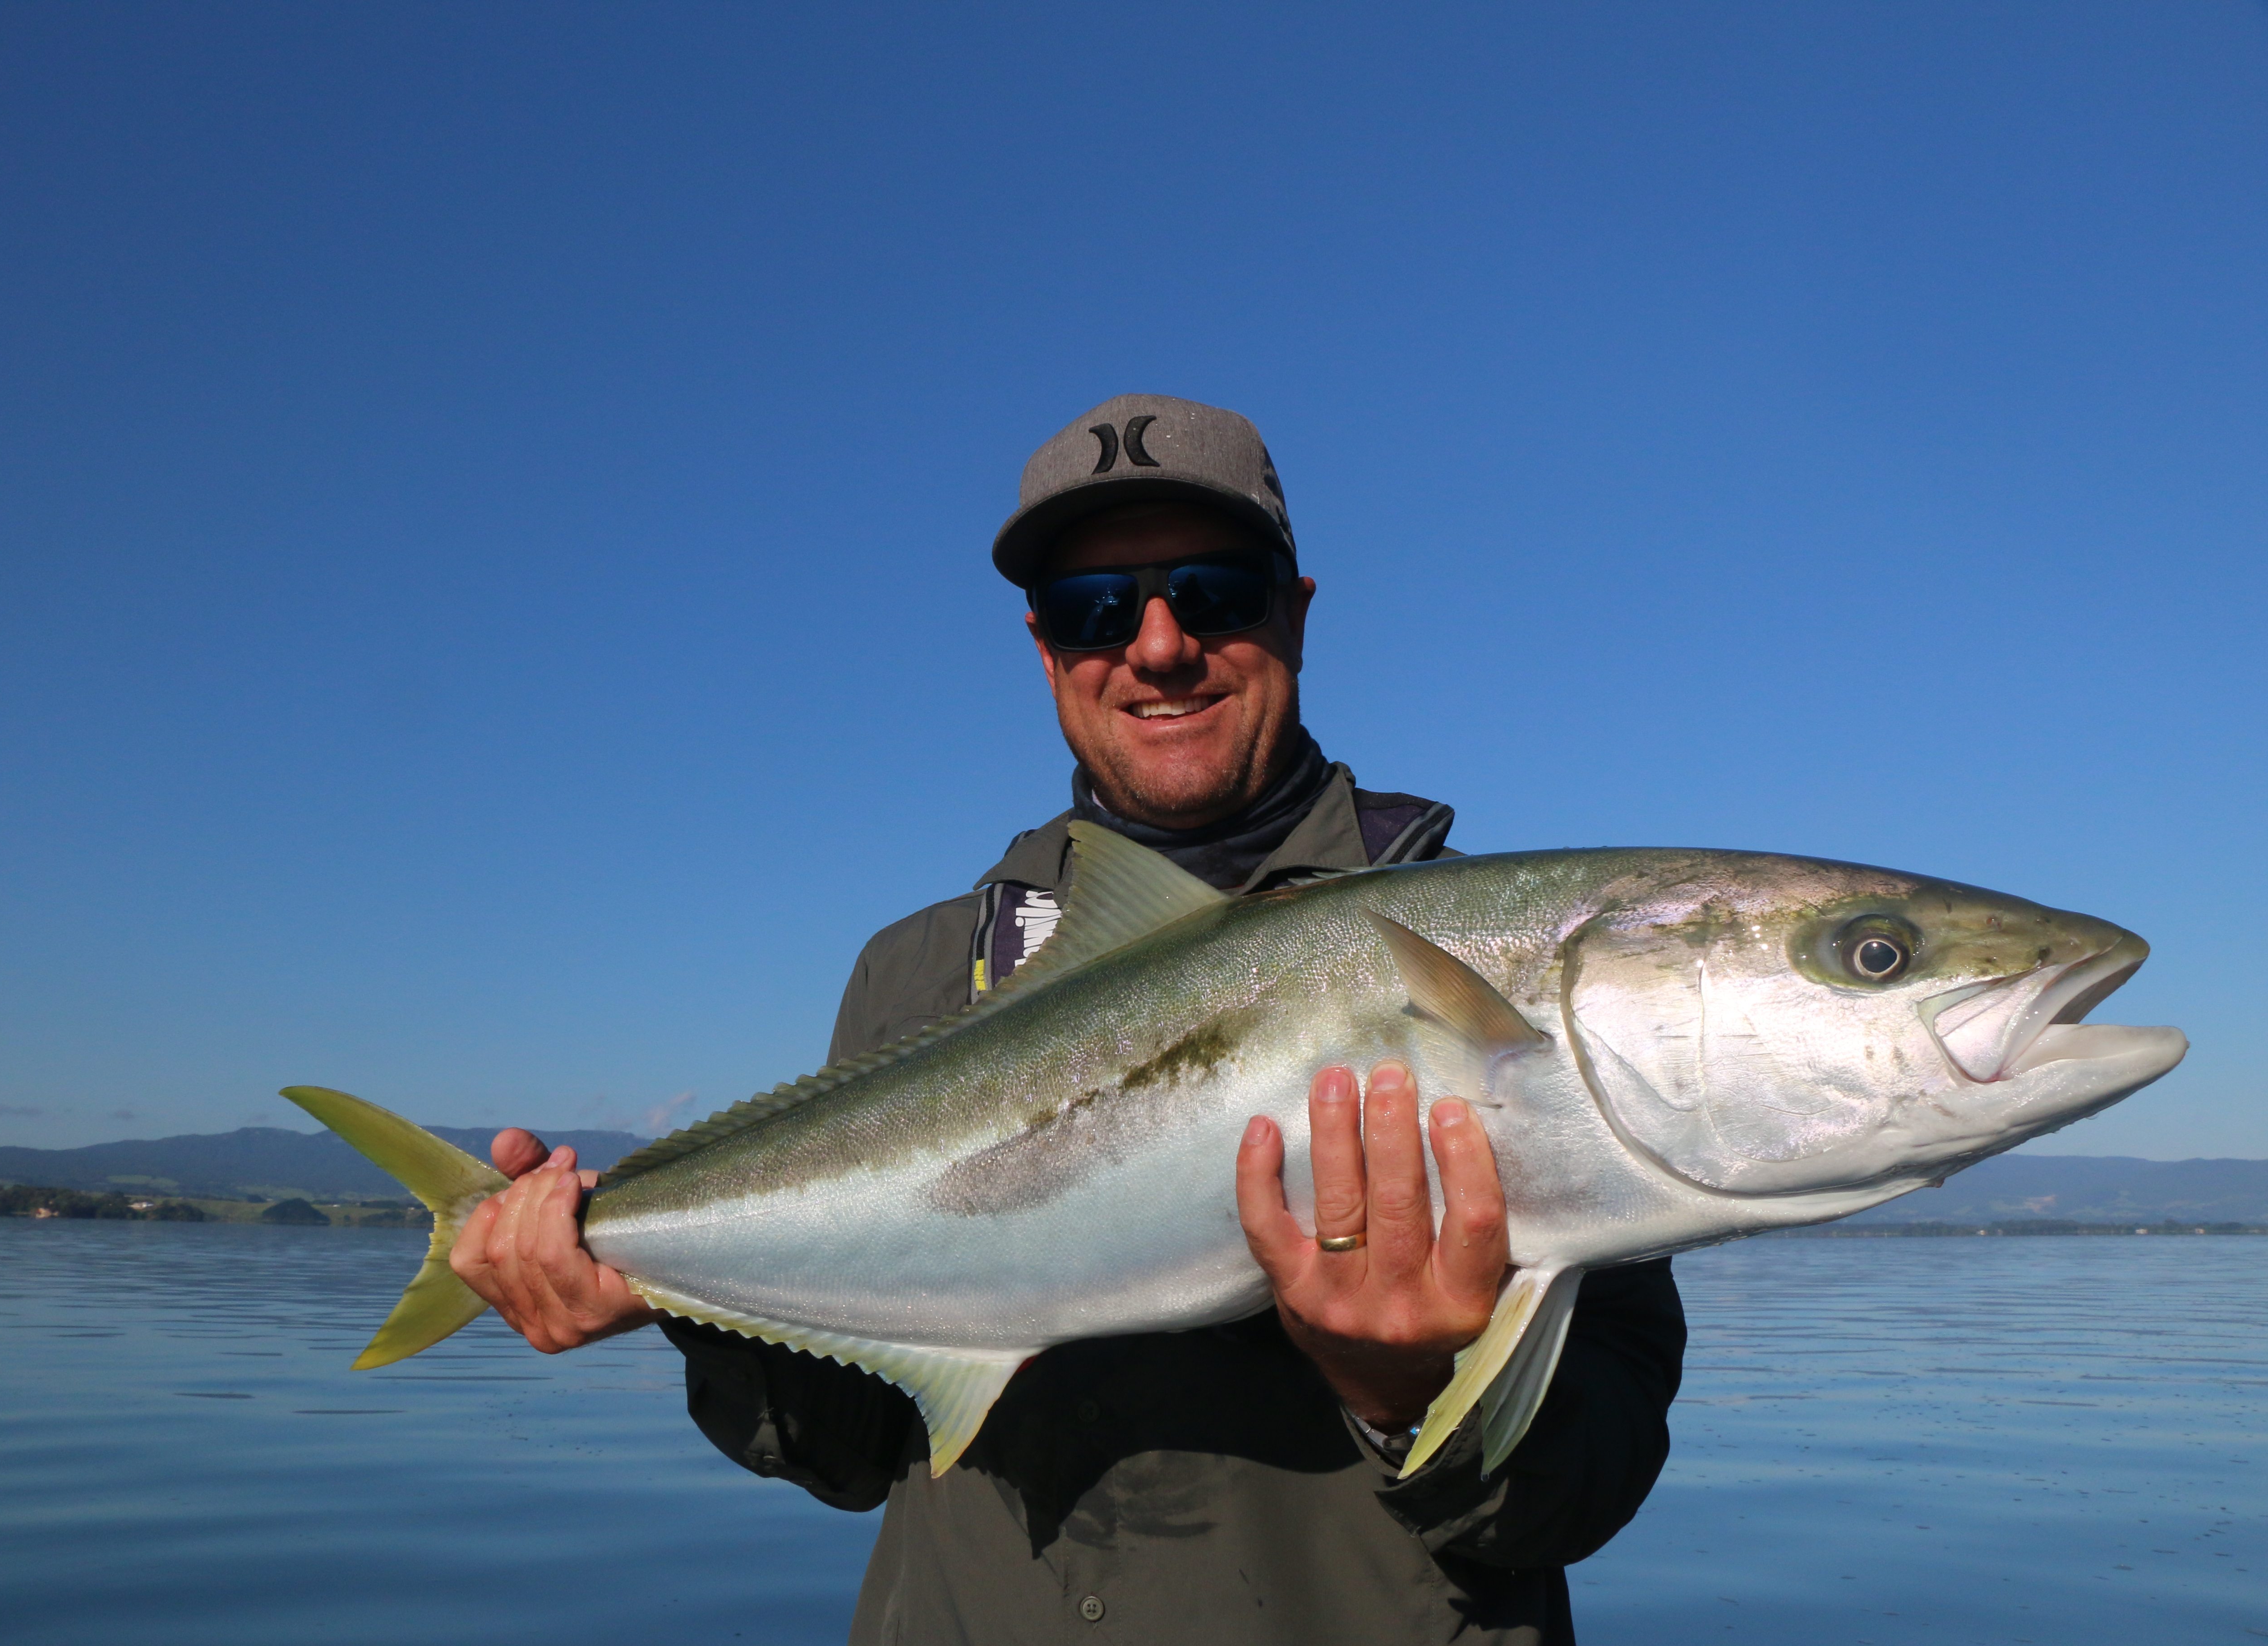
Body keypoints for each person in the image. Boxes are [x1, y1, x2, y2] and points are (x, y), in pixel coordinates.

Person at [450, 395, 1686, 1645]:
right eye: (1098, 610)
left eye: (1214, 591)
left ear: (1296, 614)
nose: (1157, 647)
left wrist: (1412, 1390)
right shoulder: (921, 977)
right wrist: (667, 1299)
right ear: (1046, 650)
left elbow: (1592, 1484)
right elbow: (850, 1446)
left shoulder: (1503, 961)